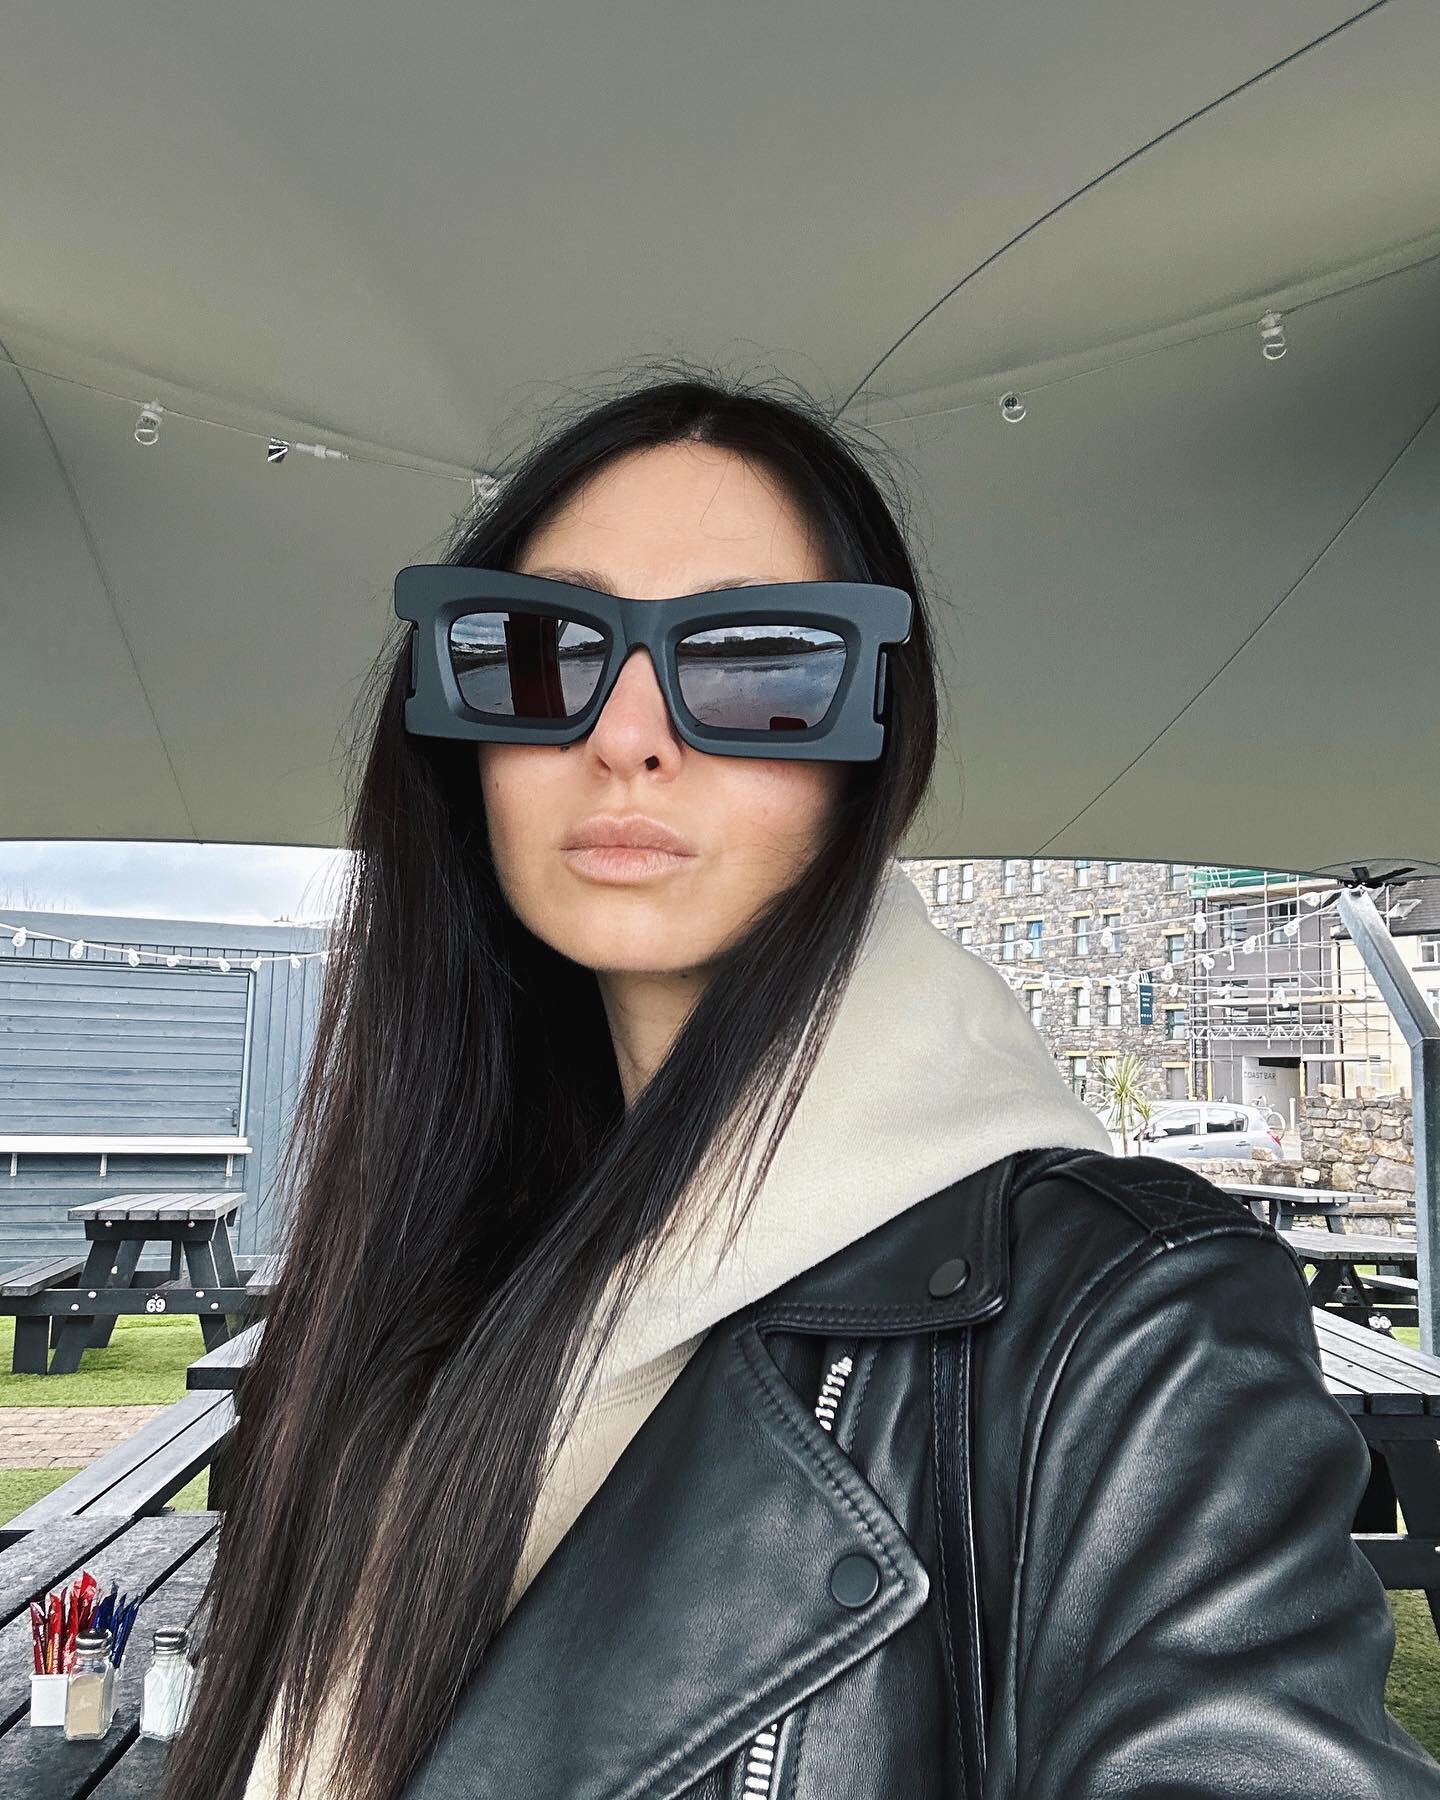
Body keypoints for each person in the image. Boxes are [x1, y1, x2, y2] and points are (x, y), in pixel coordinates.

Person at [159, 368, 1440, 1800]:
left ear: (875, 744)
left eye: (757, 665)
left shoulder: (1131, 1317)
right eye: (537, 651)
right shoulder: (435, 1251)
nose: (625, 736)